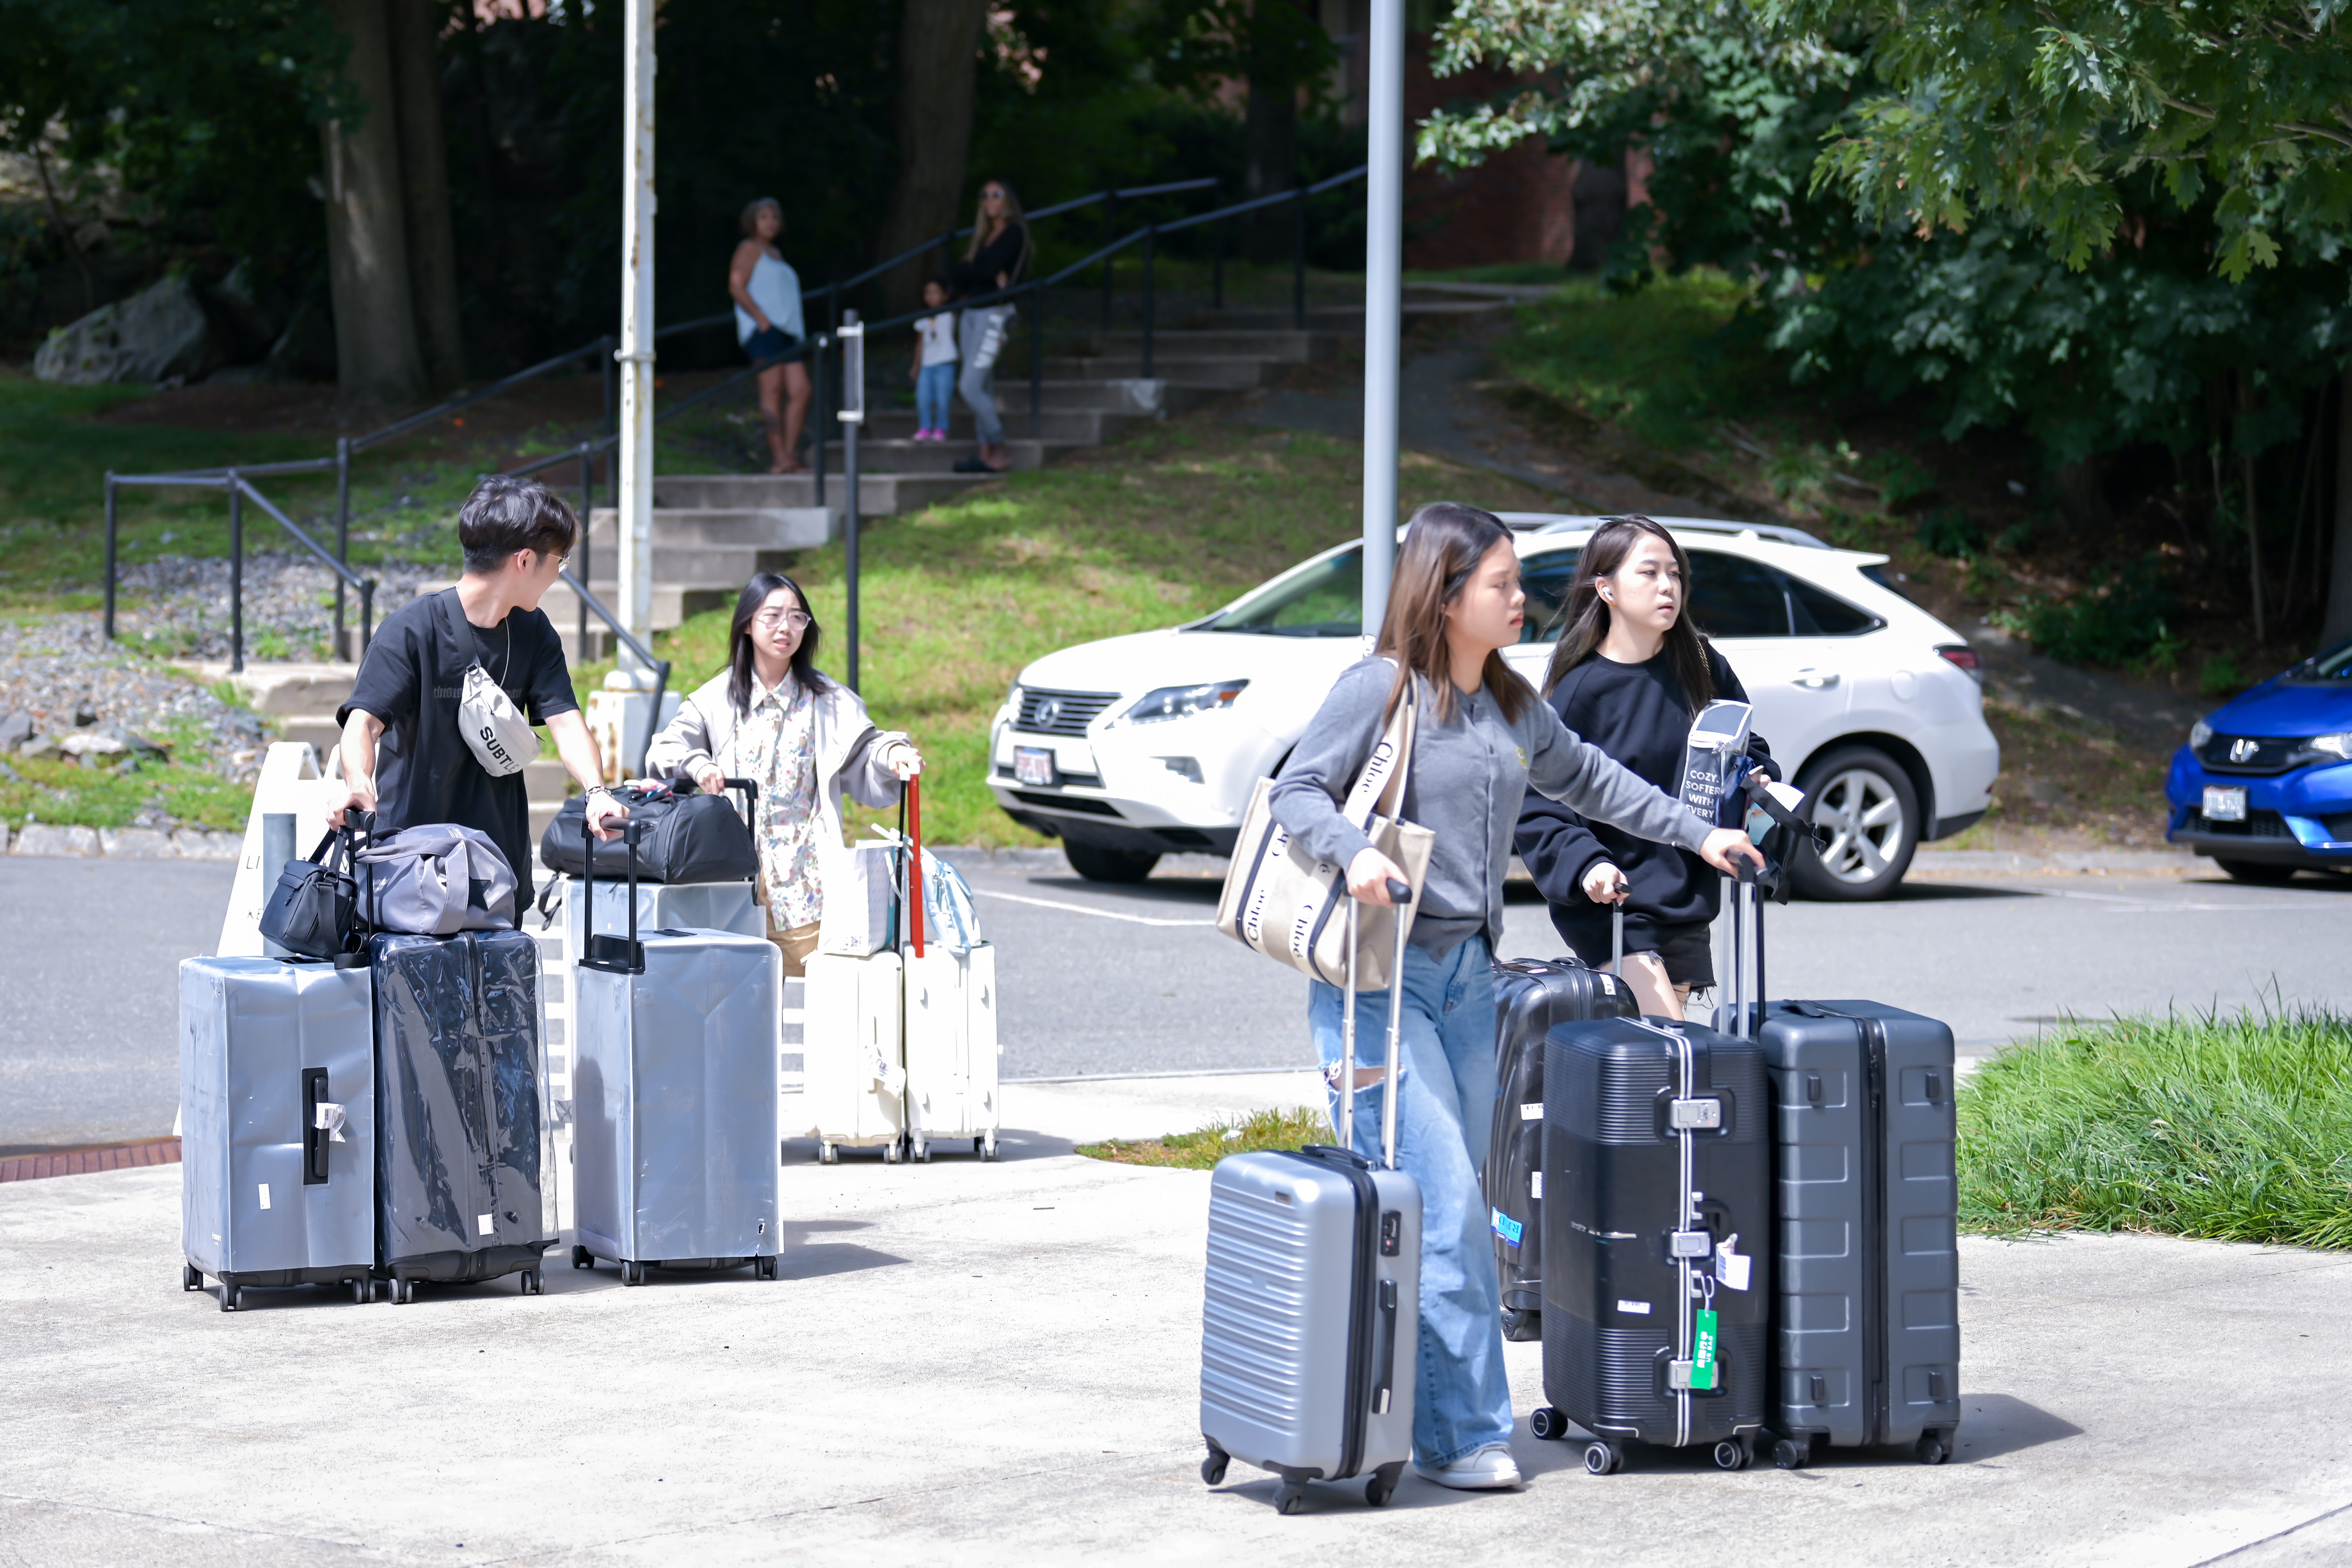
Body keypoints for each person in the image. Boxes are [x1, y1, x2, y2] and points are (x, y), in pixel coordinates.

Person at [1268, 502, 1763, 1491]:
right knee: (1445, 1202)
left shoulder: (1507, 701)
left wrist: (1696, 835)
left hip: (1466, 981)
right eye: (1499, 583)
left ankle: (1418, 1412)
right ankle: (1464, 1436)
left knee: (1457, 1206)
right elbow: (1295, 792)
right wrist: (1355, 851)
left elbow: (1593, 781)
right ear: (1444, 594)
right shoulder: (1381, 687)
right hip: (1379, 978)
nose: (1519, 599)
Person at [1515, 516, 1779, 1020]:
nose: (1667, 586)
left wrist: (1756, 780)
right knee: (1671, 1050)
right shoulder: (1579, 690)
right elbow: (1539, 805)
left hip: (1687, 894)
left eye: (1675, 573)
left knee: (1657, 1076)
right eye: (1649, 573)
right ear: (1606, 588)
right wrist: (1586, 864)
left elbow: (1750, 746)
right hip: (1613, 903)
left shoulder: (1701, 663)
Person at [331, 475, 628, 915]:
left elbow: (566, 721)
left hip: (498, 864)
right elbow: (364, 722)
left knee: (500, 985)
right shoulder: (412, 629)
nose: (559, 576)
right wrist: (358, 784)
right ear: (526, 561)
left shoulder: (534, 631)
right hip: (411, 862)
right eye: (559, 562)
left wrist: (597, 792)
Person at [644, 571, 922, 977]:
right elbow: (666, 749)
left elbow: (866, 749)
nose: (785, 627)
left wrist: (893, 753)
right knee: (734, 1000)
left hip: (807, 884)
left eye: (797, 617)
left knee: (825, 998)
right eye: (772, 615)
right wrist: (699, 764)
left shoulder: (829, 701)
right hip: (728, 880)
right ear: (747, 623)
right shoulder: (714, 699)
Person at [950, 179, 1032, 475]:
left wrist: (977, 273)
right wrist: (978, 273)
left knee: (969, 385)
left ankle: (1000, 447)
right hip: (971, 313)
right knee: (982, 385)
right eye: (984, 195)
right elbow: (962, 275)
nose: (990, 200)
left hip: (995, 315)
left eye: (996, 194)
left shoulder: (1014, 233)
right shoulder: (983, 237)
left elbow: (978, 271)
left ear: (1008, 199)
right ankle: (985, 454)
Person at [730, 197, 810, 475]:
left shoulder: (776, 253)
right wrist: (761, 319)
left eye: (774, 217)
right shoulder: (749, 249)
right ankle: (780, 459)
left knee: (801, 391)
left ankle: (789, 454)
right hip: (765, 331)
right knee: (772, 391)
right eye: (764, 217)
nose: (770, 222)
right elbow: (736, 286)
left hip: (788, 332)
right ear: (753, 221)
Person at [909, 277, 959, 441]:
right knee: (923, 398)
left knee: (943, 399)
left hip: (946, 363)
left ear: (945, 295)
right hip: (927, 365)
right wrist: (916, 365)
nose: (932, 297)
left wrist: (951, 295)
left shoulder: (951, 313)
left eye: (937, 293)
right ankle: (924, 428)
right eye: (928, 293)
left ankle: (941, 429)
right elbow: (920, 343)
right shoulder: (923, 318)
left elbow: (960, 300)